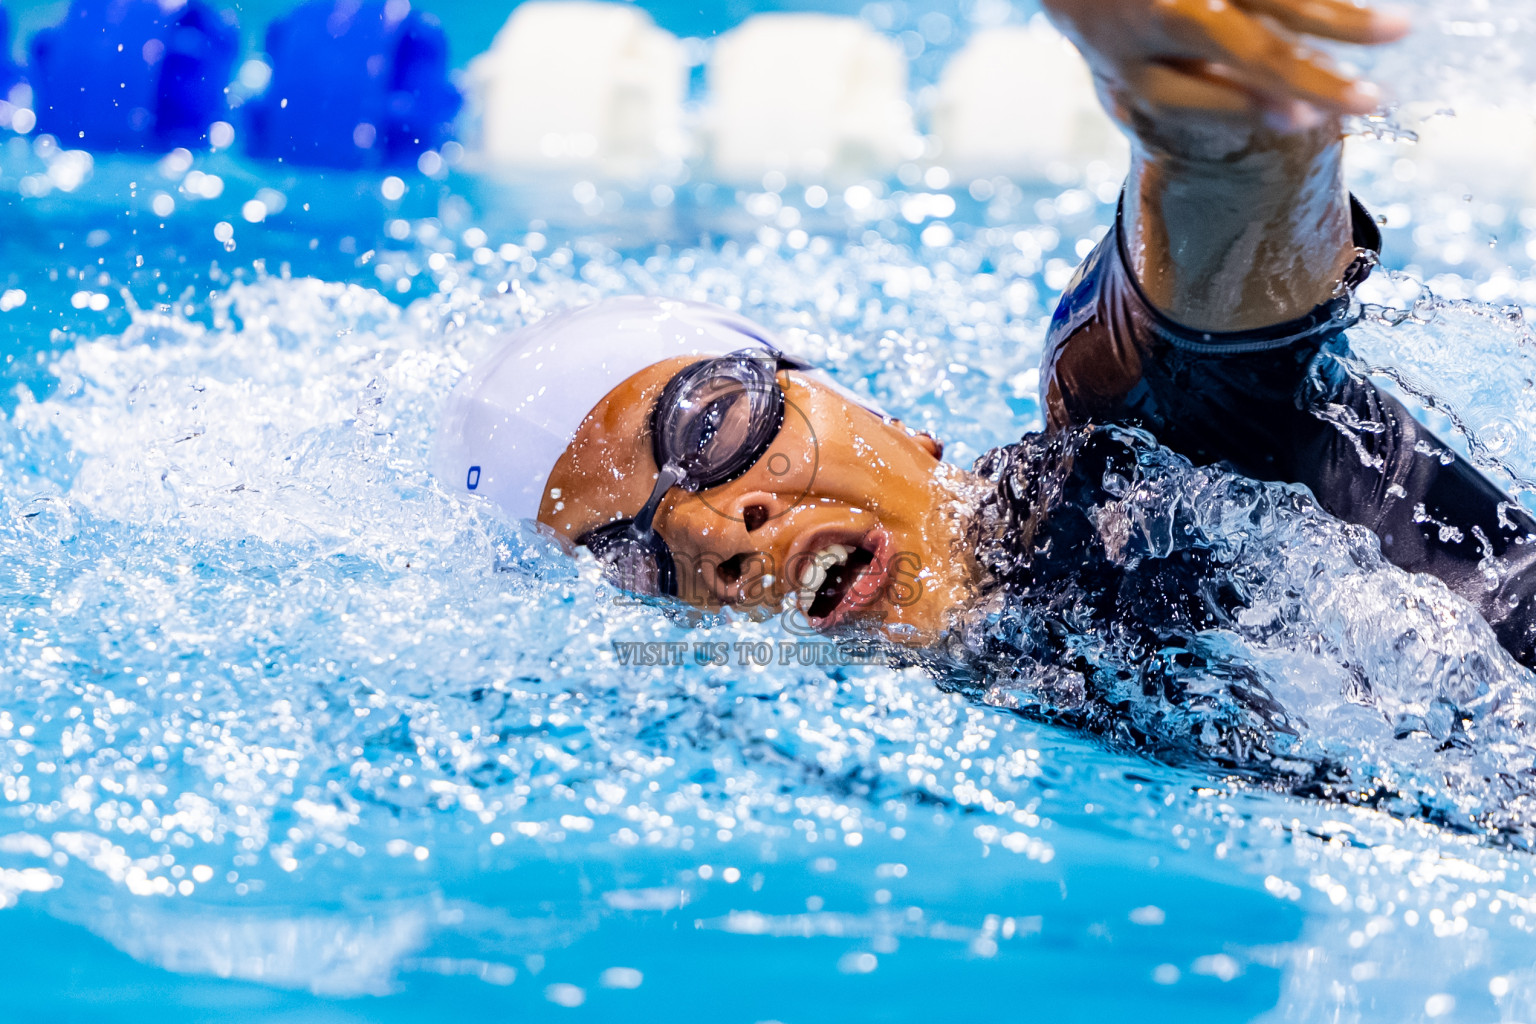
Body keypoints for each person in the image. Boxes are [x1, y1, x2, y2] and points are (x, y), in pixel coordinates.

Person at [435, 0, 1536, 671]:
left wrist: (1189, 103)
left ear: (889, 419)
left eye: (715, 425)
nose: (719, 530)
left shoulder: (1129, 459)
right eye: (631, 564)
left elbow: (1231, 198)